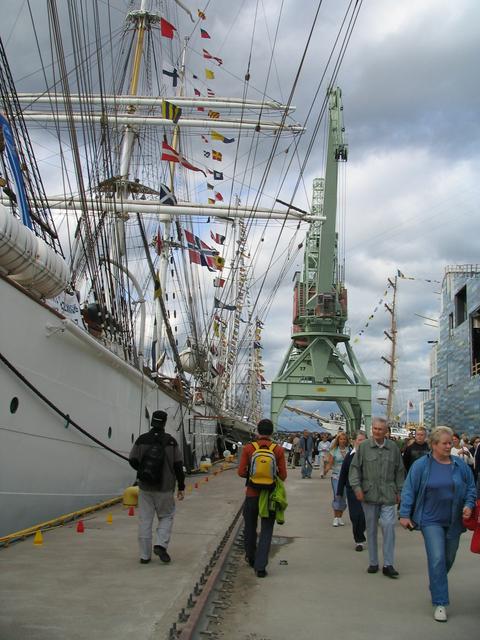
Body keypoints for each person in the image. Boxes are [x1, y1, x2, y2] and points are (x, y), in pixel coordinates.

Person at [399, 426, 476, 622]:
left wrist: (468, 505)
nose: (449, 446)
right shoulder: (421, 466)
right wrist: (404, 513)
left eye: (451, 443)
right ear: (433, 445)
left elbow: (471, 489)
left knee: (448, 558)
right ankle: (440, 602)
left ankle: (436, 581)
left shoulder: (460, 466)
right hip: (429, 519)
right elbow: (409, 489)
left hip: (454, 520)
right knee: (438, 558)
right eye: (445, 443)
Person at [349, 417, 404, 578]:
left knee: (388, 526)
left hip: (388, 494)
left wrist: (400, 491)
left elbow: (400, 471)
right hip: (369, 495)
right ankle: (373, 562)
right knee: (371, 529)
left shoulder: (393, 448)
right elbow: (354, 470)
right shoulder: (364, 447)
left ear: (386, 431)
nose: (377, 432)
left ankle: (388, 564)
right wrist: (357, 488)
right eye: (375, 429)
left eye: (380, 429)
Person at [129, 410, 185, 564]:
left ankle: (145, 556)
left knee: (145, 520)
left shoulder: (142, 440)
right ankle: (160, 544)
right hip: (165, 488)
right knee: (167, 516)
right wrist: (181, 486)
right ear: (165, 423)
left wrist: (143, 471)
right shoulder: (171, 442)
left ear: (152, 421)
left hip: (146, 487)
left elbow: (132, 460)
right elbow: (178, 465)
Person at [238, 418, 287, 577]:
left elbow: (240, 472)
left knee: (250, 527)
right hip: (270, 496)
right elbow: (284, 475)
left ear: (257, 431)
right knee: (266, 530)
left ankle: (251, 557)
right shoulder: (277, 450)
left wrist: (252, 476)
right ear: (272, 432)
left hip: (252, 493)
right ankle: (260, 567)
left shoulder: (249, 448)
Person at [337, 431, 367, 549]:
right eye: (360, 440)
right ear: (354, 441)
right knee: (355, 516)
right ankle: (358, 539)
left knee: (364, 516)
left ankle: (361, 536)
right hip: (352, 490)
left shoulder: (370, 456)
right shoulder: (349, 456)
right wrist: (339, 492)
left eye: (364, 440)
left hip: (366, 490)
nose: (362, 442)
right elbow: (343, 474)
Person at [324, 431, 351, 526]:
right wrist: (325, 471)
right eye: (341, 439)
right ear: (338, 440)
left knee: (344, 497)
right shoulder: (334, 451)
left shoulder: (350, 450)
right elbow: (330, 463)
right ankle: (335, 517)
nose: (342, 441)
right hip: (336, 476)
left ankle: (340, 517)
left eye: (344, 439)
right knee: (337, 495)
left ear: (346, 440)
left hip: (347, 478)